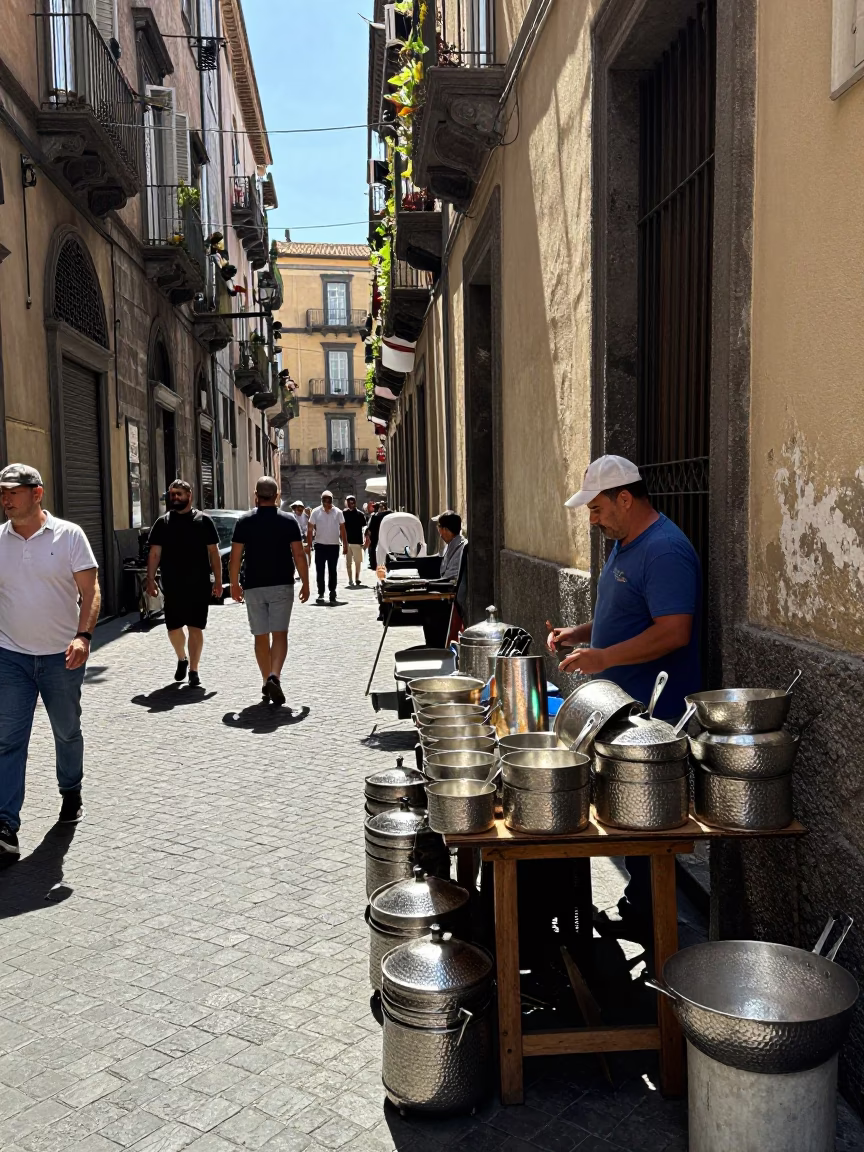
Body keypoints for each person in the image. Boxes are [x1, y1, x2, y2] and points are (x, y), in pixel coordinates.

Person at [546, 454, 701, 918]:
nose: (592, 520)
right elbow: (625, 617)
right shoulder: (624, 542)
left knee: (647, 821)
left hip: (654, 718)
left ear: (626, 498)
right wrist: (582, 634)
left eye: (596, 509)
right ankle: (640, 906)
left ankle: (657, 926)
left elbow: (674, 631)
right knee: (630, 816)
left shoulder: (665, 549)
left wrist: (604, 657)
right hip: (622, 713)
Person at [0, 464, 100, 855]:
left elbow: (91, 592)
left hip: (62, 655)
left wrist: (84, 636)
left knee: (66, 730)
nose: (6, 499)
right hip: (11, 657)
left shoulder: (69, 535)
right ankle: (6, 826)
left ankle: (70, 789)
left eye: (13, 492)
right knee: (8, 740)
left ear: (36, 493)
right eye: (2, 493)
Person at [229, 476, 310, 704]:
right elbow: (298, 554)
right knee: (280, 633)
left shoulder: (244, 521)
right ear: (277, 497)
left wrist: (234, 583)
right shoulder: (288, 521)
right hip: (282, 583)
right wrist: (305, 582)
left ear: (256, 495)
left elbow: (235, 557)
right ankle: (275, 675)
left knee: (260, 635)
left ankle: (266, 681)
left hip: (253, 585)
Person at [146, 479, 222, 688]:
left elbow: (213, 553)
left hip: (199, 584)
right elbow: (154, 553)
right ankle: (182, 658)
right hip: (172, 584)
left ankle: (194, 670)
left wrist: (218, 581)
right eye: (172, 494)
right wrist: (150, 579)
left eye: (179, 494)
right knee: (173, 628)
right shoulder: (163, 523)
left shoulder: (203, 521)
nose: (175, 498)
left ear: (190, 495)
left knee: (195, 627)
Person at [307, 490, 347, 604]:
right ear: (321, 501)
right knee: (320, 570)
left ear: (332, 501)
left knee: (332, 570)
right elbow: (310, 528)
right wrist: (309, 544)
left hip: (334, 546)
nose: (327, 504)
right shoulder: (315, 512)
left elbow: (342, 529)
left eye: (329, 501)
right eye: (324, 501)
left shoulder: (338, 512)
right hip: (320, 545)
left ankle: (332, 592)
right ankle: (320, 593)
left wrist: (345, 544)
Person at [342, 495, 367, 588]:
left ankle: (357, 578)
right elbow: (341, 527)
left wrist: (365, 539)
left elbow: (364, 527)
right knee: (348, 562)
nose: (350, 504)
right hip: (347, 541)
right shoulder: (344, 513)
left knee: (358, 562)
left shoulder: (360, 514)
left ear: (354, 503)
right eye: (348, 502)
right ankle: (350, 579)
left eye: (351, 502)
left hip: (357, 541)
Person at [365, 499, 392, 569]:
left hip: (375, 535)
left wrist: (367, 534)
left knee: (372, 549)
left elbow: (369, 527)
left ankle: (373, 564)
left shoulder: (374, 516)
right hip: (386, 534)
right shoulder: (390, 514)